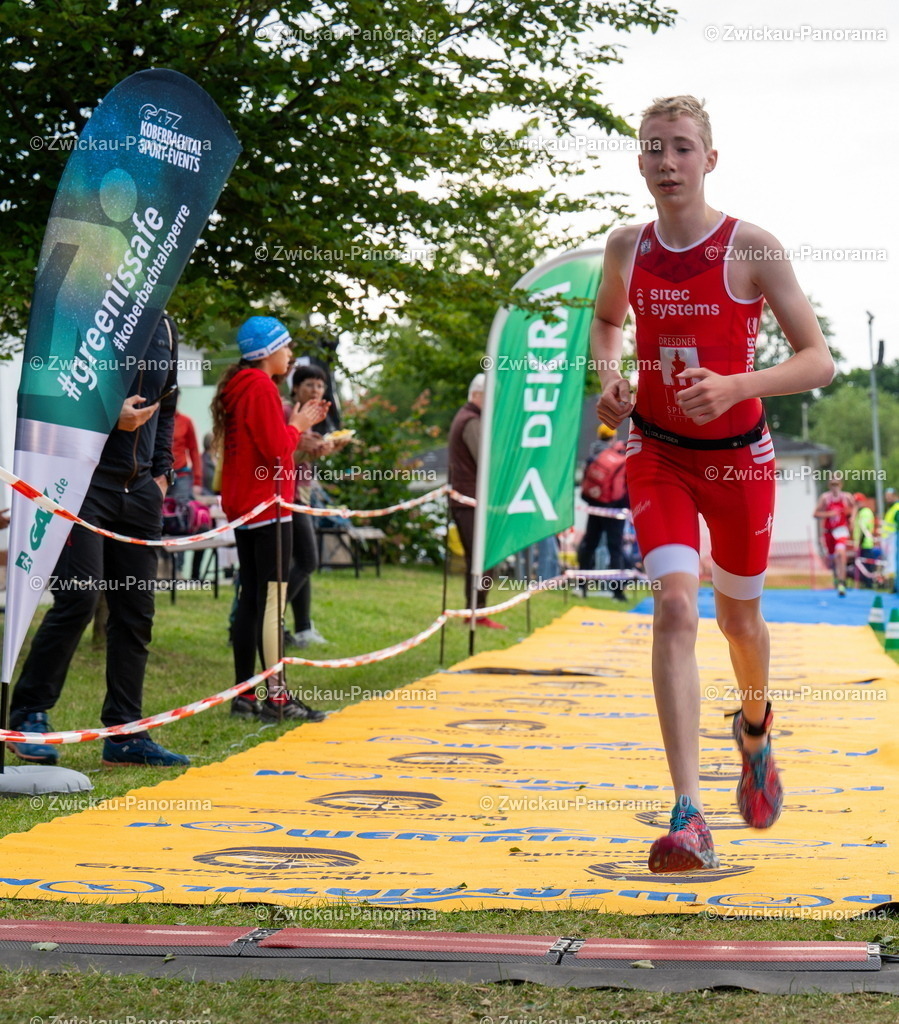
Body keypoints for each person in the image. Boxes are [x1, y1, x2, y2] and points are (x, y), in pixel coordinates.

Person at [592, 96, 834, 873]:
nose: (666, 161)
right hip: (657, 453)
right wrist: (611, 378)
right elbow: (604, 325)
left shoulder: (751, 248)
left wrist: (735, 385)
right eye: (652, 148)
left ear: (709, 160)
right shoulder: (626, 247)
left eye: (682, 148)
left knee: (738, 624)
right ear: (639, 161)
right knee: (672, 607)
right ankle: (688, 814)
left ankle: (755, 729)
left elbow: (816, 361)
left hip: (737, 459)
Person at [8, 312, 191, 767]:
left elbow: (167, 404)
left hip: (141, 492)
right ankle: (28, 714)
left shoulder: (166, 324)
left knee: (135, 614)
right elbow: (46, 395)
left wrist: (162, 472)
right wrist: (110, 417)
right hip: (83, 484)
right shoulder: (87, 311)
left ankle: (126, 734)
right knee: (78, 599)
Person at [211, 315, 330, 722]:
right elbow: (277, 450)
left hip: (246, 506)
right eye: (286, 347)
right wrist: (298, 425)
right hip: (268, 507)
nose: (291, 354)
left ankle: (245, 695)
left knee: (251, 602)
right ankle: (277, 698)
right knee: (271, 605)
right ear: (267, 353)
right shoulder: (260, 386)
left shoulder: (240, 385)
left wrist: (297, 424)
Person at [283, 364, 350, 648]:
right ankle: (267, 617)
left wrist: (326, 449)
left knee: (299, 562)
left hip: (302, 494)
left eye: (320, 386)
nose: (315, 390)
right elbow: (281, 460)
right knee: (308, 561)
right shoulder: (288, 413)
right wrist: (305, 450)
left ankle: (302, 628)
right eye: (309, 384)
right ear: (295, 387)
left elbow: (301, 458)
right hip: (288, 495)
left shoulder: (310, 419)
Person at [447, 372, 506, 629]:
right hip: (471, 500)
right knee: (482, 557)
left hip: (468, 498)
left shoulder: (467, 417)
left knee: (480, 557)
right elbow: (486, 460)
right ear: (478, 395)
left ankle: (477, 610)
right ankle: (476, 612)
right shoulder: (471, 420)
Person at [577, 423, 629, 602]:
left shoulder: (593, 456)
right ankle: (617, 592)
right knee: (615, 548)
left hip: (595, 507)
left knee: (589, 545)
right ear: (613, 437)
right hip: (615, 509)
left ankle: (581, 586)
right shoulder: (620, 455)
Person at [813, 473, 856, 597]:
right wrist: (829, 514)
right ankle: (837, 577)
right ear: (829, 485)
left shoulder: (846, 497)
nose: (834, 487)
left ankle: (842, 583)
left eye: (836, 484)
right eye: (832, 484)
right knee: (833, 558)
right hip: (829, 532)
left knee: (840, 555)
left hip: (841, 530)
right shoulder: (825, 498)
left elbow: (854, 508)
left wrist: (852, 519)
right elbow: (815, 514)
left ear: (841, 485)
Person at [851, 492, 877, 589]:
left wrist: (859, 544)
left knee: (866, 567)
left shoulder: (865, 512)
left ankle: (869, 586)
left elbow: (864, 529)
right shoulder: (860, 513)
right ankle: (866, 585)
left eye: (857, 502)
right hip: (862, 544)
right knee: (862, 567)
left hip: (865, 544)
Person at [881, 488, 899, 592]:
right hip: (888, 538)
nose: (887, 498)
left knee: (893, 562)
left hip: (893, 538)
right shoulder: (891, 507)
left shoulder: (896, 507)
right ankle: (893, 585)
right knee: (890, 562)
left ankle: (894, 586)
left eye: (889, 495)